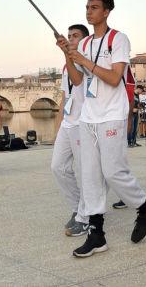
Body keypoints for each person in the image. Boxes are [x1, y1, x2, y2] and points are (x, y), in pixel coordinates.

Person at [57, 0, 146, 258]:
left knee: (113, 171)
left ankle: (144, 206)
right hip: (88, 116)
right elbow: (79, 81)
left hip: (112, 114)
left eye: (94, 7)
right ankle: (96, 234)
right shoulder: (86, 42)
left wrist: (83, 59)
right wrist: (69, 54)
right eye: (87, 7)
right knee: (90, 176)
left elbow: (114, 78)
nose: (89, 11)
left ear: (107, 12)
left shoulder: (118, 39)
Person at [51, 24, 90, 237]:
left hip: (83, 123)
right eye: (69, 36)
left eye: (75, 36)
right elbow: (65, 97)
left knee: (86, 172)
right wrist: (59, 127)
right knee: (58, 167)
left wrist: (67, 53)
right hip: (68, 123)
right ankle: (78, 207)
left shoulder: (87, 61)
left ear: (84, 40)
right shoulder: (67, 66)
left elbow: (78, 80)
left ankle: (85, 216)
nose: (71, 39)